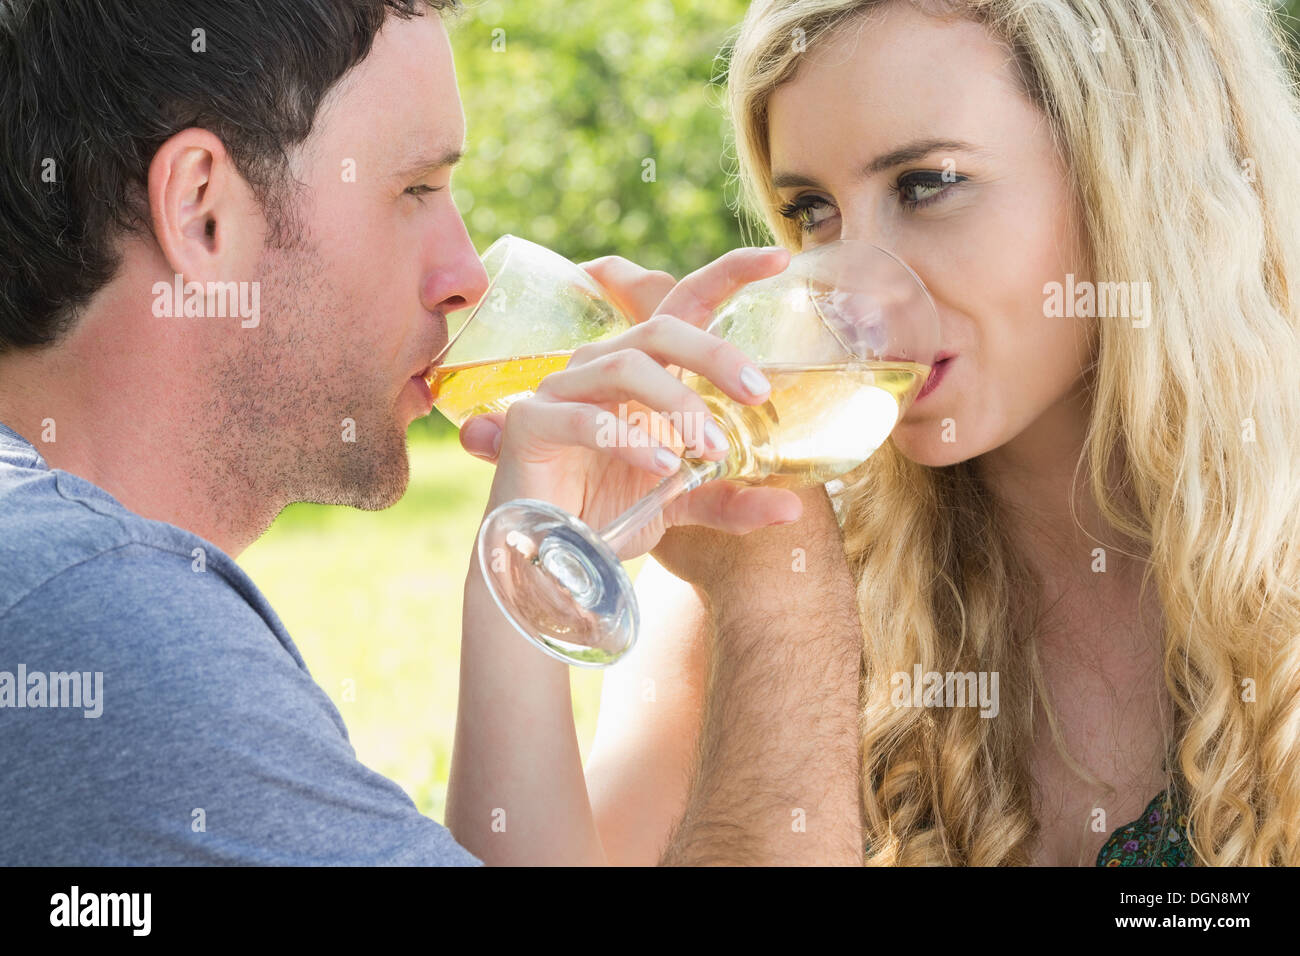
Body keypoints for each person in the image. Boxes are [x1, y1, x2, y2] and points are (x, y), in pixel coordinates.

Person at [0, 0, 844, 865]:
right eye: (415, 189)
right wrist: (775, 581)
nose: (465, 276)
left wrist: (522, 568)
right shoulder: (102, 619)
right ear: (201, 211)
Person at [462, 0, 1300, 866]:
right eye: (813, 211)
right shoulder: (766, 543)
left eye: (925, 185)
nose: (848, 293)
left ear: (1131, 174)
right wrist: (524, 553)